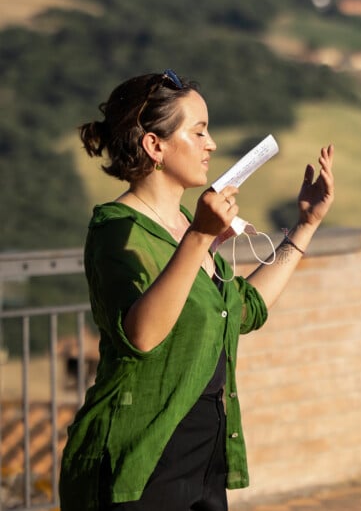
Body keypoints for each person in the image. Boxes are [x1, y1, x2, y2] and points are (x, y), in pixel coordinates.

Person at [59, 69, 335, 510]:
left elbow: (246, 310)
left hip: (203, 454)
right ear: (155, 146)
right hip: (139, 458)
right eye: (199, 131)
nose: (212, 145)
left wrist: (305, 226)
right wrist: (200, 239)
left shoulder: (188, 228)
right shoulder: (118, 232)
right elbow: (143, 335)